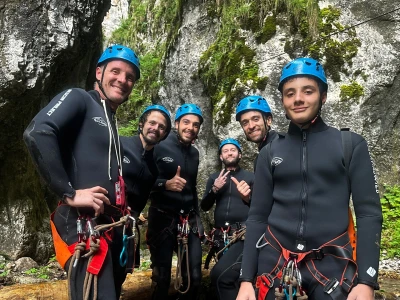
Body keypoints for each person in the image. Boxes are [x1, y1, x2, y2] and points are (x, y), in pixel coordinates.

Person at [236, 57, 383, 300]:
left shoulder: (350, 145)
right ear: (283, 101)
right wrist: (245, 279)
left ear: (322, 96)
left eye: (308, 91)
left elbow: (369, 213)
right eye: (290, 93)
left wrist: (367, 280)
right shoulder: (269, 153)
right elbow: (258, 217)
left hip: (331, 263)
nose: (298, 99)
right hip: (275, 262)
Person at [23, 44, 141, 300]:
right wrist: (69, 192)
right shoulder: (80, 98)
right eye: (116, 71)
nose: (122, 80)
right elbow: (38, 132)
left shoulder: (110, 120)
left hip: (109, 227)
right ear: (99, 72)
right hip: (84, 226)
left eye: (130, 77)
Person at [147, 103, 204, 300]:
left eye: (196, 125)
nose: (191, 128)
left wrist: (198, 220)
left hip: (188, 220)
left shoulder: (195, 154)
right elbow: (142, 181)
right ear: (177, 123)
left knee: (194, 277)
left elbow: (192, 188)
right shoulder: (158, 145)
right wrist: (165, 184)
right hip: (162, 218)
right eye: (186, 122)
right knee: (162, 278)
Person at [201, 138, 254, 300]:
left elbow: (260, 207)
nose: (229, 153)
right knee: (223, 274)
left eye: (233, 150)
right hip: (220, 236)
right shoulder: (214, 178)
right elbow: (204, 206)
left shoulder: (250, 177)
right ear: (221, 157)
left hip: (241, 234)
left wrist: (248, 197)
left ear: (240, 154)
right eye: (225, 151)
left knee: (232, 276)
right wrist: (214, 189)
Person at [120, 104, 172, 269]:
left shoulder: (153, 167)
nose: (155, 128)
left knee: (119, 278)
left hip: (127, 227)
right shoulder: (119, 145)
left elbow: (145, 192)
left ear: (164, 134)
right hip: (107, 221)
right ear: (142, 124)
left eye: (161, 127)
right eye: (152, 123)